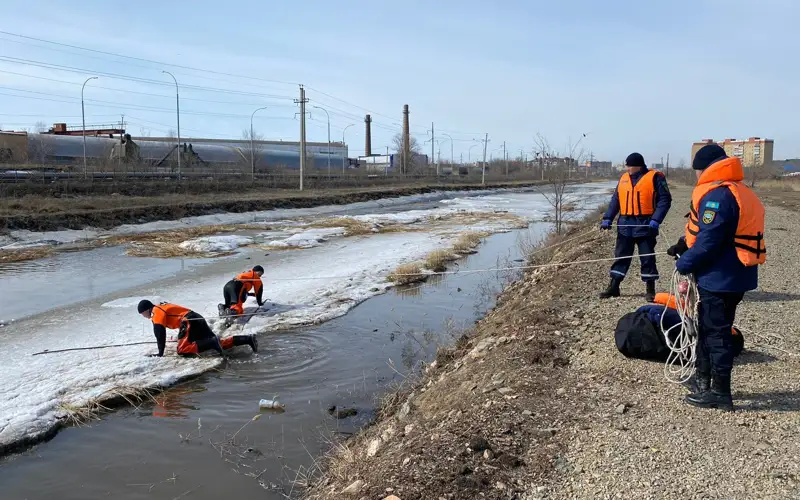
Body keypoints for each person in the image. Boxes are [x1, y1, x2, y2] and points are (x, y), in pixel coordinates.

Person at [667, 144, 765, 411]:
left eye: (697, 170)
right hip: (733, 275)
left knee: (716, 334)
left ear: (705, 169)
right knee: (708, 329)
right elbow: (706, 231)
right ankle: (703, 382)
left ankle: (720, 393)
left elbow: (710, 241)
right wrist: (682, 246)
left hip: (721, 278)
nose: (697, 175)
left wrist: (684, 263)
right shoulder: (737, 190)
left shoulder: (718, 197)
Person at [600, 152, 672, 301]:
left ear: (637, 166)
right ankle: (614, 286)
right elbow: (616, 200)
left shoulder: (655, 177)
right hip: (625, 224)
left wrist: (656, 219)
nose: (627, 169)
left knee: (647, 257)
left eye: (629, 166)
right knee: (621, 256)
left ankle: (650, 289)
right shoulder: (623, 179)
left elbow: (665, 200)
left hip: (646, 224)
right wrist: (608, 218)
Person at [615, 291, 744, 362]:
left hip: (639, 324)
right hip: (637, 330)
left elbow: (656, 308)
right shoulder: (699, 318)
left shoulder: (696, 315)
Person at [137, 299, 257, 357]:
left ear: (147, 310)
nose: (144, 317)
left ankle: (212, 342)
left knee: (182, 350)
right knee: (220, 344)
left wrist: (160, 353)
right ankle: (247, 339)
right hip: (196, 318)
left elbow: (159, 333)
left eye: (143, 314)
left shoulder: (155, 312)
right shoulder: (160, 307)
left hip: (188, 321)